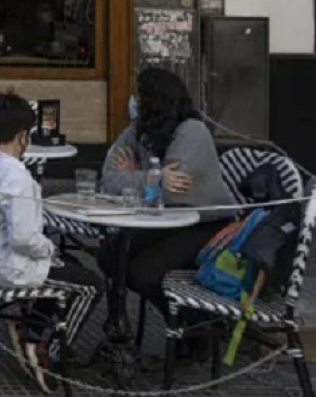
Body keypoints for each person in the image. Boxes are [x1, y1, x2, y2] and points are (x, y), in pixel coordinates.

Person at [0, 91, 102, 392]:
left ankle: (33, 327)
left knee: (68, 269)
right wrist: (49, 248)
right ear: (23, 137)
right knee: (91, 285)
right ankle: (48, 349)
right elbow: (24, 239)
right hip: (12, 266)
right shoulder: (18, 178)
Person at [99, 67, 235, 337]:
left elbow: (173, 192)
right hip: (164, 221)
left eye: (140, 95)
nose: (134, 101)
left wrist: (138, 175)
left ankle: (196, 328)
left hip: (205, 224)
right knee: (109, 255)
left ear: (156, 100)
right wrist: (151, 178)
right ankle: (178, 323)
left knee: (143, 272)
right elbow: (109, 178)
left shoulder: (192, 132)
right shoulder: (139, 130)